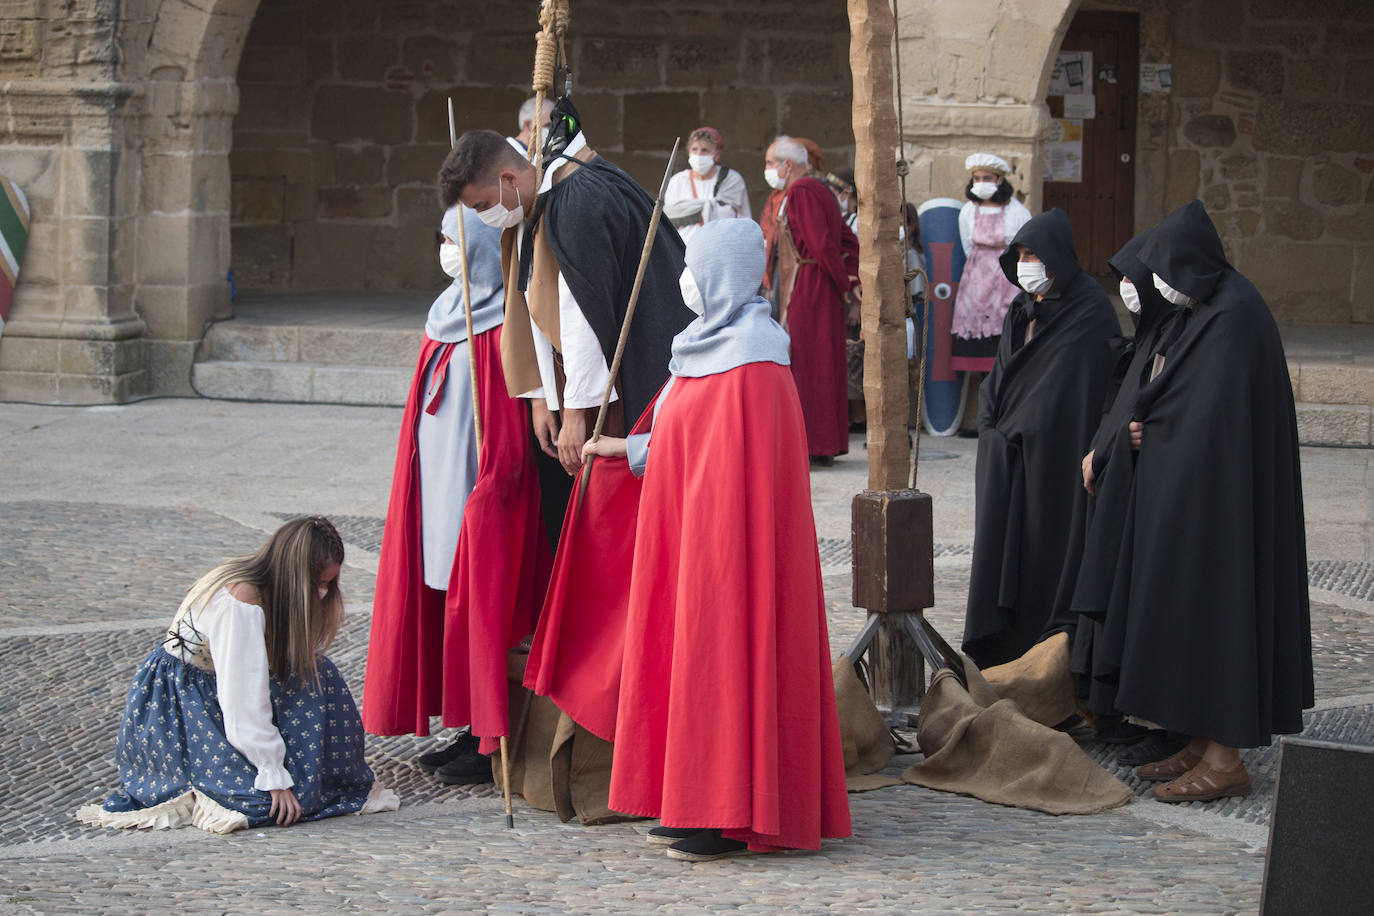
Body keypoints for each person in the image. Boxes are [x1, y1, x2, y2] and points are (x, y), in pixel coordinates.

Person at [586, 219, 852, 861]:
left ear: (723, 274)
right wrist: (628, 447)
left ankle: (727, 808)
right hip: (693, 536)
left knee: (723, 662)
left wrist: (640, 451)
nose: (684, 281)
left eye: (693, 266)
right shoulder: (702, 345)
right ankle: (690, 799)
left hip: (733, 551)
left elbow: (739, 463)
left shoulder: (758, 358)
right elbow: (688, 436)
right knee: (690, 661)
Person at [1098, 200, 1313, 802]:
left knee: (1223, 621)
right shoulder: (1206, 309)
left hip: (1225, 507)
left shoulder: (1234, 316)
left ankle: (1225, 761)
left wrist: (1151, 429)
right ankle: (1197, 740)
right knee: (1191, 617)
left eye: (1166, 270)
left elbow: (1213, 416)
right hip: (1195, 497)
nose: (1159, 285)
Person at [77, 518, 400, 834]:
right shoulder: (241, 602)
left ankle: (317, 773)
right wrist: (273, 775)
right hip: (185, 702)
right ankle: (279, 775)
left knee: (319, 674)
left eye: (329, 584)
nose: (322, 594)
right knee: (263, 803)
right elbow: (242, 698)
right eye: (319, 583)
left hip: (213, 691)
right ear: (295, 576)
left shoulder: (264, 581)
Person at [438, 110, 696, 479]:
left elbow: (580, 313)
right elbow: (535, 297)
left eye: (481, 205)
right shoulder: (533, 202)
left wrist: (576, 413)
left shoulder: (576, 199)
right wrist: (543, 396)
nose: (483, 216)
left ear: (508, 178)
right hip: (584, 382)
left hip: (633, 371)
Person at [361, 205, 505, 785]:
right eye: (442, 236)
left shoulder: (499, 325)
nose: (444, 248)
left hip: (472, 487)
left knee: (475, 607)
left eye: (453, 239)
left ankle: (487, 735)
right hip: (433, 486)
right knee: (444, 603)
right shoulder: (445, 314)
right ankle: (465, 723)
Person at [961, 208, 1118, 669]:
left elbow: (1066, 390)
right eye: (1022, 254)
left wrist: (1018, 431)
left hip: (1056, 459)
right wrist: (990, 427)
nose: (1028, 263)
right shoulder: (1022, 307)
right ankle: (1003, 653)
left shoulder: (1089, 311)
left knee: (1047, 554)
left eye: (1037, 254)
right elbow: (1003, 375)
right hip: (1007, 457)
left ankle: (1046, 663)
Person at [1068, 228, 1186, 761]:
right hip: (1116, 485)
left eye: (1135, 281)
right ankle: (1117, 708)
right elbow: (1121, 409)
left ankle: (1150, 721)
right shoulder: (1145, 338)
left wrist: (1121, 442)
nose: (1129, 292)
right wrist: (1106, 447)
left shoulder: (1173, 336)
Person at [765, 135, 859, 464]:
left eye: (769, 163)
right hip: (822, 283)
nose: (768, 169)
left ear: (786, 166)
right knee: (822, 361)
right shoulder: (821, 189)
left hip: (811, 285)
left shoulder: (802, 191)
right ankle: (823, 442)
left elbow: (821, 245)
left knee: (808, 363)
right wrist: (849, 277)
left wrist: (843, 282)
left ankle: (811, 444)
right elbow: (848, 240)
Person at [950, 153, 1033, 435]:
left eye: (987, 178)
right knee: (979, 357)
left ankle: (1004, 417)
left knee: (1004, 350)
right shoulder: (967, 212)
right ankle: (980, 418)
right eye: (977, 179)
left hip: (1005, 283)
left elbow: (1024, 244)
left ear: (1000, 180)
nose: (981, 183)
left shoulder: (1017, 212)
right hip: (976, 288)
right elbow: (967, 247)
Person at [663, 126, 751, 244]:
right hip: (685, 252)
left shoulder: (731, 180)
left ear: (716, 155)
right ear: (689, 152)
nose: (699, 154)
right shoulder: (677, 181)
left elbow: (744, 220)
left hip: (722, 249)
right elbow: (669, 218)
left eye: (705, 150)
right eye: (694, 149)